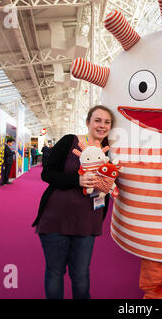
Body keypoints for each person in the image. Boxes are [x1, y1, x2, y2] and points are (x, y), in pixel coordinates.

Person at [32, 105, 114, 299]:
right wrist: (76, 181)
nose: (102, 125)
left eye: (107, 122)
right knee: (55, 272)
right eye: (97, 120)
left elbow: (110, 184)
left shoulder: (110, 151)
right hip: (56, 219)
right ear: (88, 123)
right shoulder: (71, 142)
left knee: (81, 275)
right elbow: (47, 172)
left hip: (87, 222)